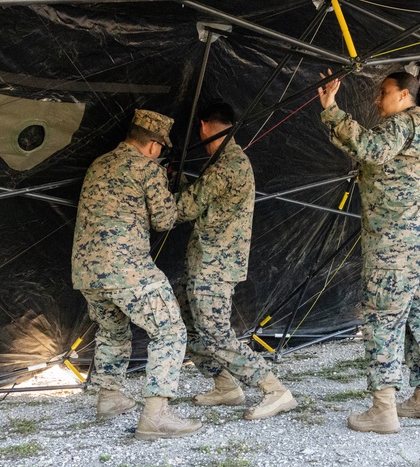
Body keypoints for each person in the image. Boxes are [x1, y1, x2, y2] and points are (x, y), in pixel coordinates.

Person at [317, 70, 420, 435]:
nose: (378, 100)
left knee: (385, 318)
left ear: (405, 95)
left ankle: (383, 409)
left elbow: (367, 148)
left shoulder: (400, 125)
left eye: (384, 92)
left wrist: (331, 109)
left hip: (399, 239)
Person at [71, 109, 202, 440]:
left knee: (113, 331)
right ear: (155, 146)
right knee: (170, 329)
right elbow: (163, 219)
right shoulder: (148, 169)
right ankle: (156, 416)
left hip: (87, 270)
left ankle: (109, 397)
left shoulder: (98, 163)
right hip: (125, 268)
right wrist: (179, 191)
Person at [176, 101, 297, 420]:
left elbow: (184, 209)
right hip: (203, 263)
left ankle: (275, 390)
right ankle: (225, 385)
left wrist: (163, 180)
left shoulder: (226, 166)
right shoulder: (223, 162)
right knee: (186, 324)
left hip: (214, 268)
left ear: (203, 126)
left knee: (215, 333)